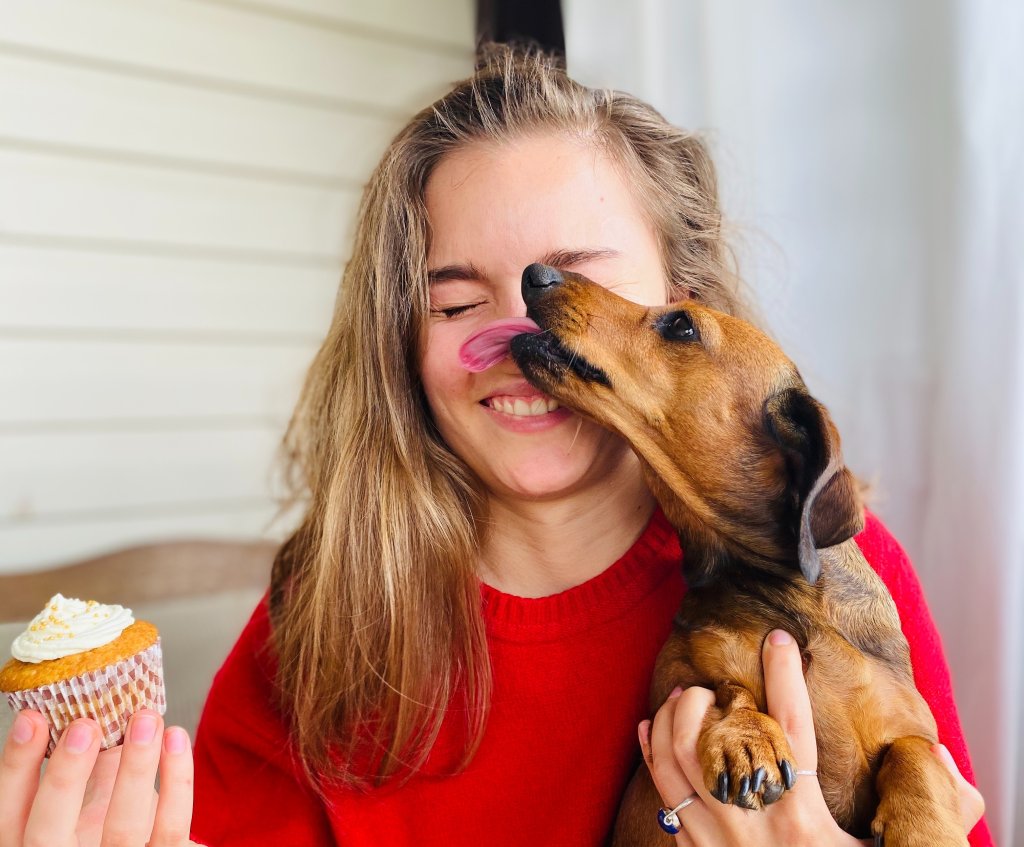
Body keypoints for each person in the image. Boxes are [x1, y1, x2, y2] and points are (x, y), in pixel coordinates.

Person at [0, 46, 989, 847]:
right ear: (399, 341)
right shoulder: (324, 620)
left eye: (573, 283)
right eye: (456, 302)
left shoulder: (841, 583)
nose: (523, 341)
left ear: (687, 296)